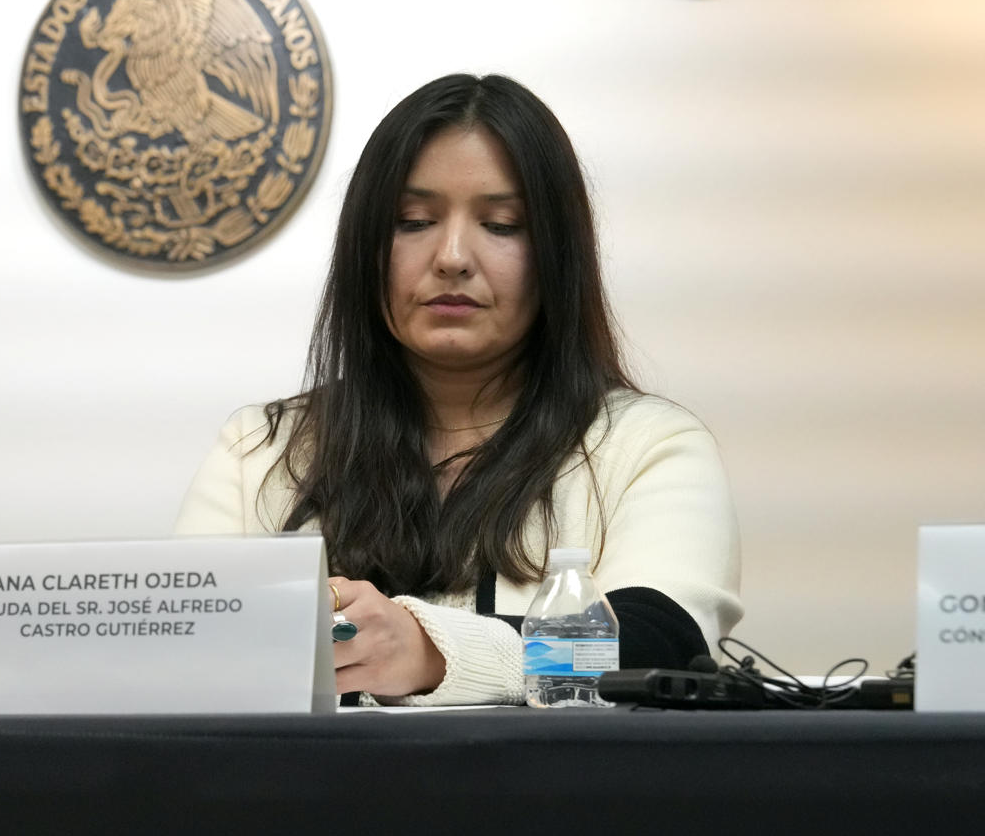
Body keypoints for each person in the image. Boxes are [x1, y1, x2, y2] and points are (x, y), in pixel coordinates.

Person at [174, 73, 741, 705]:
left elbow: (660, 643)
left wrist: (431, 650)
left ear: (557, 256)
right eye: (414, 221)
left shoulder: (649, 446)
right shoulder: (259, 448)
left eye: (501, 225)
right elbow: (183, 647)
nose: (451, 256)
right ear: (366, 248)